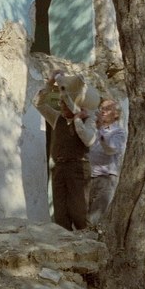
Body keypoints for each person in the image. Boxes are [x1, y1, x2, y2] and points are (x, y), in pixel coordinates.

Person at [33, 70, 97, 231]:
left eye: (64, 103)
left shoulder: (89, 120)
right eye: (61, 102)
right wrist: (49, 83)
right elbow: (38, 103)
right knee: (60, 214)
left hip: (78, 168)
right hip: (59, 168)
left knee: (79, 212)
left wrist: (77, 120)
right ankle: (65, 242)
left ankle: (85, 241)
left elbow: (89, 140)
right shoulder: (57, 118)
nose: (61, 105)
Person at [87, 99, 127, 226]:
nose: (103, 111)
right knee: (83, 216)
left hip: (106, 178)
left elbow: (111, 149)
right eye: (102, 108)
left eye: (108, 109)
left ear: (116, 114)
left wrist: (100, 132)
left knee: (95, 218)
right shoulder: (94, 129)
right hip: (89, 177)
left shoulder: (118, 132)